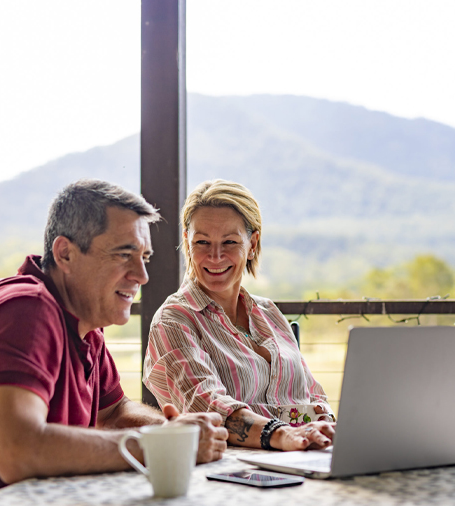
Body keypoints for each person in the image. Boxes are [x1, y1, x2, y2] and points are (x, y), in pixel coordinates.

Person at [0, 180, 228, 506]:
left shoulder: (84, 321)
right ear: (65, 254)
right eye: (124, 255)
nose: (142, 275)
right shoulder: (26, 310)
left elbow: (115, 412)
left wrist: (174, 433)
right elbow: (18, 450)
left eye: (145, 257)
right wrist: (157, 446)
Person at [143, 179, 336, 452]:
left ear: (252, 244)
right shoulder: (174, 320)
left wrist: (328, 428)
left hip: (306, 455)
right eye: (202, 242)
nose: (215, 255)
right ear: (188, 243)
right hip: (230, 471)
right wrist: (284, 436)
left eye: (230, 241)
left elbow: (314, 394)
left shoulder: (269, 312)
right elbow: (208, 407)